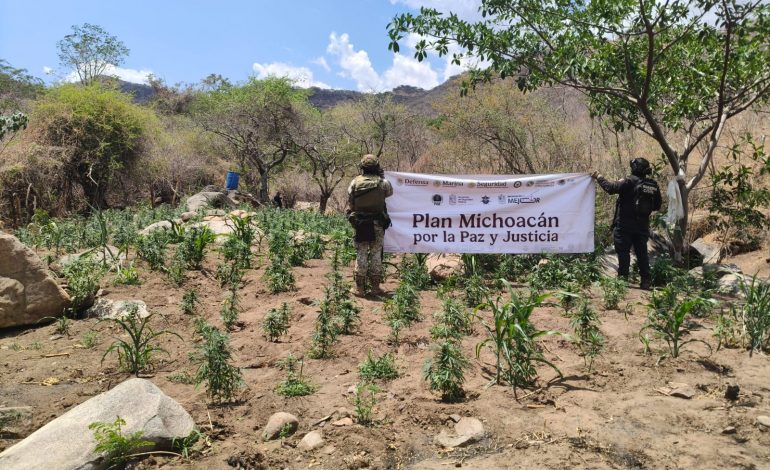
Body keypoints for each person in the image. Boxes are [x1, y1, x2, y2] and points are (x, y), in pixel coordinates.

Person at [592, 158, 662, 290]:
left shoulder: (628, 181)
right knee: (642, 254)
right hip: (642, 226)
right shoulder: (652, 185)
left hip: (624, 225)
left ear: (634, 168)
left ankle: (623, 280)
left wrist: (599, 177)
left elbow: (610, 188)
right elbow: (657, 205)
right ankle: (645, 281)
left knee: (623, 253)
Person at [347, 154, 393, 296]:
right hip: (377, 223)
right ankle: (375, 288)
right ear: (377, 167)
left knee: (361, 253)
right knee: (376, 254)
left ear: (362, 167)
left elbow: (351, 200)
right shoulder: (383, 183)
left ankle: (359, 288)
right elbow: (389, 193)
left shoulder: (355, 182)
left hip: (361, 223)